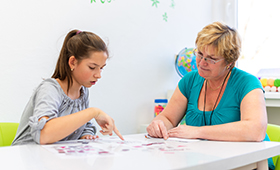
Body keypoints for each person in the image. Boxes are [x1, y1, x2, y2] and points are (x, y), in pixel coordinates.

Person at [146, 22, 274, 169]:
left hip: (249, 164)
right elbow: (168, 118)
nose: (201, 62)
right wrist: (159, 125)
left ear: (229, 62)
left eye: (211, 59)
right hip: (205, 162)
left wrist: (196, 132)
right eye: (199, 54)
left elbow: (255, 130)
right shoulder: (189, 80)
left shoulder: (247, 83)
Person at [12, 30, 123, 145]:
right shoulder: (50, 89)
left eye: (101, 68)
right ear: (73, 62)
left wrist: (86, 136)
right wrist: (93, 112)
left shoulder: (83, 92)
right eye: (92, 67)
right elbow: (43, 135)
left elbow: (83, 126)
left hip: (52, 159)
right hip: (27, 158)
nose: (98, 75)